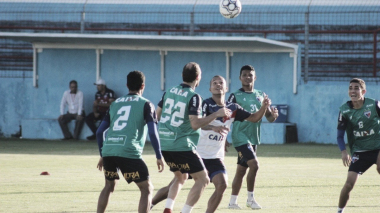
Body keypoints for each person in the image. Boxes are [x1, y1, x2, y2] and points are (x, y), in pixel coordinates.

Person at [151, 75, 271, 213]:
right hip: (198, 154)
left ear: (226, 88)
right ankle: (151, 204)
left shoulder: (233, 108)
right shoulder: (204, 104)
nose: (218, 84)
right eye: (214, 83)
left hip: (215, 157)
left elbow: (254, 118)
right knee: (174, 184)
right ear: (210, 88)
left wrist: (264, 107)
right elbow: (195, 124)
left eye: (221, 83)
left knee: (222, 184)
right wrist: (212, 127)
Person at [157, 62, 231, 213]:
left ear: (182, 76)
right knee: (203, 180)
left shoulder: (169, 91)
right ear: (198, 78)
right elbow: (195, 124)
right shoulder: (195, 97)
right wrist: (216, 114)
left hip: (165, 144)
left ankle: (166, 208)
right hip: (182, 145)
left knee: (180, 178)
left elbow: (156, 116)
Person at [95, 71, 164, 213]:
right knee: (146, 188)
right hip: (128, 151)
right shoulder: (146, 104)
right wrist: (158, 156)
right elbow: (152, 132)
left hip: (109, 150)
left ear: (127, 85)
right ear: (143, 86)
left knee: (109, 185)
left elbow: (99, 132)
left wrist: (103, 154)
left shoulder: (115, 104)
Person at [228, 65, 279, 210]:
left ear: (254, 77)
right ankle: (250, 199)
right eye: (244, 75)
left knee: (241, 170)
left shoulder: (260, 94)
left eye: (250, 75)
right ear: (240, 78)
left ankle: (232, 202)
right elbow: (227, 116)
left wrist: (274, 115)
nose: (247, 77)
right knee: (254, 165)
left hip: (253, 137)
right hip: (240, 137)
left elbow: (269, 117)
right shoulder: (235, 96)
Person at [336, 78, 380, 213]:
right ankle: (339, 211)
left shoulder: (375, 105)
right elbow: (339, 136)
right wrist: (344, 151)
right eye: (350, 88)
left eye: (356, 88)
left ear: (363, 91)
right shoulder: (344, 110)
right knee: (349, 184)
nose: (352, 91)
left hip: (378, 148)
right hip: (360, 151)